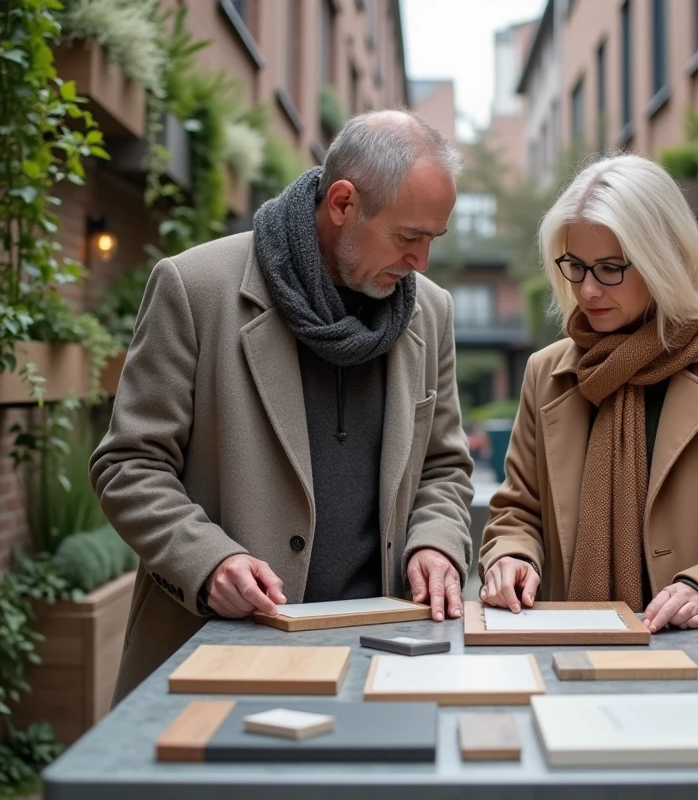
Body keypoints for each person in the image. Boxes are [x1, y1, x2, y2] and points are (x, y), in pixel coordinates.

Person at [92, 111, 475, 704]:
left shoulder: (432, 310)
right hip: (220, 655)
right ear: (343, 203)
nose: (421, 262)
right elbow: (128, 465)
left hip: (390, 662)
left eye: (433, 239)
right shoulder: (193, 287)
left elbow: (445, 469)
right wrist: (209, 563)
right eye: (408, 237)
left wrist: (435, 541)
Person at [477, 154, 698, 731]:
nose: (587, 289)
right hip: (580, 675)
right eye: (573, 265)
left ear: (664, 256)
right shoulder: (547, 373)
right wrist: (512, 555)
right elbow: (520, 508)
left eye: (611, 268)